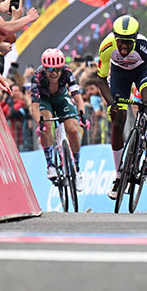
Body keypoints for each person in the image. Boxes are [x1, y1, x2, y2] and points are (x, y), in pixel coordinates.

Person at [94, 15, 147, 199]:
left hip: (142, 71)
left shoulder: (144, 47)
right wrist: (112, 104)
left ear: (135, 39)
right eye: (121, 42)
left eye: (128, 42)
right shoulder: (107, 46)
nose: (124, 47)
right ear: (114, 38)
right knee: (117, 121)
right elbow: (101, 79)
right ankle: (119, 177)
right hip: (119, 74)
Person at [30, 48, 88, 191]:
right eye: (50, 69)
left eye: (57, 69)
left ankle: (77, 169)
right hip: (44, 101)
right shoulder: (37, 77)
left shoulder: (68, 73)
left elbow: (78, 98)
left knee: (73, 130)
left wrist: (82, 117)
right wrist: (40, 124)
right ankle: (50, 165)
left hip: (62, 99)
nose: (54, 73)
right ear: (44, 69)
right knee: (47, 122)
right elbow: (34, 107)